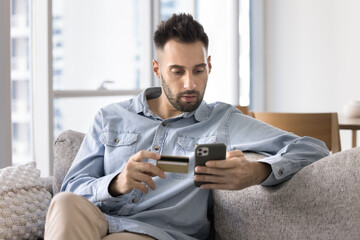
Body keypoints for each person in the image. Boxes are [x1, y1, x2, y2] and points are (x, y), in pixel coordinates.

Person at [44, 13, 329, 240]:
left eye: (198, 70)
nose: (190, 84)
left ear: (209, 66)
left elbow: (313, 148)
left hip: (158, 233)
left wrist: (257, 171)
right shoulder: (110, 117)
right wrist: (116, 184)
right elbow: (71, 188)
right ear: (157, 69)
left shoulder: (223, 121)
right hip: (100, 220)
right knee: (65, 204)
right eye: (177, 72)